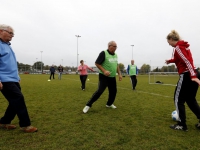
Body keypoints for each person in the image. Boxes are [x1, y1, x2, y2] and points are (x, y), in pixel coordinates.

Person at [0, 24, 37, 133]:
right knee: (18, 98)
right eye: (10, 33)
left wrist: (17, 76)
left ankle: (4, 122)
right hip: (4, 79)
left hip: (13, 79)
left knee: (14, 101)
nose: (12, 36)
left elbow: (10, 64)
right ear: (1, 31)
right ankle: (25, 125)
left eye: (13, 34)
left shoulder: (7, 45)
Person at [165, 30, 200, 131]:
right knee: (190, 99)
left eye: (168, 42)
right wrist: (170, 61)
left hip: (187, 75)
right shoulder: (183, 46)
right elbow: (179, 59)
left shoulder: (178, 47)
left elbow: (187, 61)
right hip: (194, 72)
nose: (168, 44)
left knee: (178, 99)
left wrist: (193, 76)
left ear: (172, 39)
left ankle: (182, 124)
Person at [83, 41, 122, 113]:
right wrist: (104, 71)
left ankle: (109, 104)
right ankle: (88, 105)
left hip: (112, 77)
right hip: (104, 77)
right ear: (109, 46)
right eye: (114, 46)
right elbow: (97, 63)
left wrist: (119, 74)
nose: (116, 48)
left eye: (116, 46)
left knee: (113, 91)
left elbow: (117, 65)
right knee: (100, 91)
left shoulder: (116, 55)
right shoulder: (103, 53)